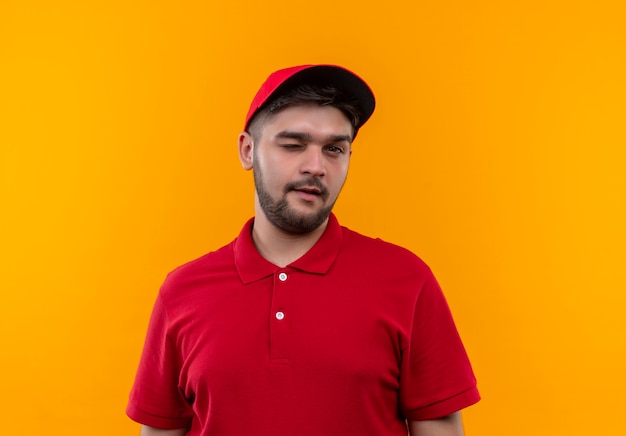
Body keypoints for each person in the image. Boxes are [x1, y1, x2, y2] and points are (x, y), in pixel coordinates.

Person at [127, 64, 480, 436]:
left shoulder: (407, 280)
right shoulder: (182, 291)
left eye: (334, 149)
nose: (316, 166)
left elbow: (440, 428)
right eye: (293, 145)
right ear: (248, 151)